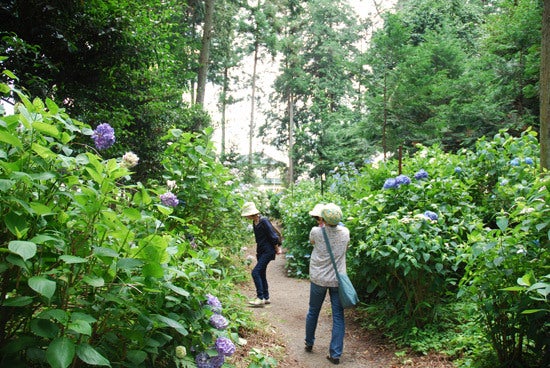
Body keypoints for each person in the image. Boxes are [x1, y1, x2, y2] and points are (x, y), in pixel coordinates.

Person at [304, 203, 350, 365]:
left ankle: (309, 343)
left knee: (313, 311)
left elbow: (312, 243)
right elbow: (346, 247)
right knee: (338, 316)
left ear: (322, 218)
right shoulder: (345, 232)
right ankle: (335, 354)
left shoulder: (316, 232)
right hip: (337, 281)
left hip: (319, 278)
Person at [241, 201, 280, 307]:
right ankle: (266, 297)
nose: (246, 217)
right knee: (261, 273)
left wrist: (277, 249)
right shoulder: (255, 222)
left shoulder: (264, 221)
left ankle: (260, 297)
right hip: (261, 251)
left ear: (251, 213)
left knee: (255, 272)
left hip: (268, 251)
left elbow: (273, 236)